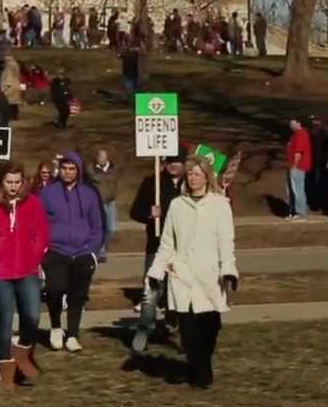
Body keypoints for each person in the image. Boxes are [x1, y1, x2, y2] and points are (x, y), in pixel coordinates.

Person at [146, 156, 238, 388]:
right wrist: (156, 271)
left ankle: (201, 364)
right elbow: (167, 242)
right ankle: (199, 373)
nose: (192, 178)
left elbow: (226, 242)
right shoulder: (178, 205)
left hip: (210, 276)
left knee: (209, 328)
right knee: (188, 331)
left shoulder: (220, 205)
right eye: (189, 174)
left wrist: (228, 270)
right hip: (182, 275)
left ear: (207, 177)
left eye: (197, 174)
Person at [0, 162, 49, 389]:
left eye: (17, 182)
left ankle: (23, 350)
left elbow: (42, 234)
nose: (13, 187)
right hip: (1, 274)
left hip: (27, 270)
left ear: (23, 182)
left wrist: (34, 258)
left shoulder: (33, 203)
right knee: (4, 321)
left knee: (32, 315)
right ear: (1, 182)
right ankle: (5, 368)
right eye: (9, 182)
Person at [39, 152, 103, 353]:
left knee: (78, 295)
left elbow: (97, 225)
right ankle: (56, 327)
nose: (68, 172)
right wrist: (42, 249)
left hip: (83, 251)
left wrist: (93, 251)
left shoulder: (89, 194)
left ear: (78, 170)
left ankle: (73, 334)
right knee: (55, 289)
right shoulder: (48, 193)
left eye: (72, 169)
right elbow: (38, 223)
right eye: (64, 168)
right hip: (56, 250)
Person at [128, 154, 186, 353]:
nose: (173, 165)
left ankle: (173, 321)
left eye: (177, 161)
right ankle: (144, 329)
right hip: (157, 245)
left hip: (184, 248)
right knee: (151, 289)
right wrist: (149, 214)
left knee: (178, 289)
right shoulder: (153, 182)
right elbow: (134, 211)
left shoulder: (192, 183)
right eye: (169, 161)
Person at [86, 149, 118, 262]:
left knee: (112, 228)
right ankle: (101, 252)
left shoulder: (113, 168)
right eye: (100, 157)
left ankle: (102, 247)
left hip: (111, 201)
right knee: (101, 227)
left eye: (104, 157)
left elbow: (114, 180)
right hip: (99, 202)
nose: (102, 160)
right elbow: (93, 179)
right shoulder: (91, 168)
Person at [286, 117, 312, 219]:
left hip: (298, 166)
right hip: (291, 165)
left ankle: (301, 213)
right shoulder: (294, 136)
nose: (291, 126)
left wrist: (294, 165)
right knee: (291, 190)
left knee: (298, 189)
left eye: (293, 123)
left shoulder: (302, 134)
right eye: (290, 124)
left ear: (299, 123)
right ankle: (293, 212)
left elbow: (299, 152)